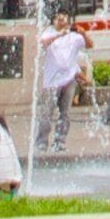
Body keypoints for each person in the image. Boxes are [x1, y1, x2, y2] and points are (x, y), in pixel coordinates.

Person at [37, 16, 89, 149]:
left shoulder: (74, 37)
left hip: (69, 81)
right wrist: (59, 35)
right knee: (46, 112)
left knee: (64, 113)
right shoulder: (48, 32)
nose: (61, 22)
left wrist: (83, 33)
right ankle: (42, 142)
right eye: (58, 19)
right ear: (53, 21)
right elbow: (43, 42)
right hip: (52, 83)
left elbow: (90, 45)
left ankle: (60, 141)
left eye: (64, 19)